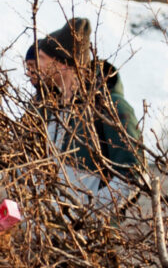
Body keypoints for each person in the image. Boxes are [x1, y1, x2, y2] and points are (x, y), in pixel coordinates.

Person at [24, 19, 143, 186]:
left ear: (63, 64)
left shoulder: (111, 107)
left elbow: (133, 176)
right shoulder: (52, 107)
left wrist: (94, 210)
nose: (37, 66)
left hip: (86, 212)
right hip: (49, 212)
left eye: (42, 58)